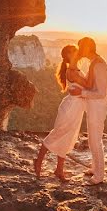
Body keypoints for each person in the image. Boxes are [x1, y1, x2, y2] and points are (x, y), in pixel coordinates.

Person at [33, 44, 88, 180]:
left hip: (77, 107)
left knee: (68, 137)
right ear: (69, 55)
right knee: (58, 133)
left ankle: (59, 170)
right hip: (71, 107)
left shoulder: (76, 69)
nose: (78, 52)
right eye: (75, 50)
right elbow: (88, 85)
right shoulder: (71, 72)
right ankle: (38, 161)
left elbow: (84, 87)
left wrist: (82, 92)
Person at [68, 36, 107, 185]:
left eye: (80, 48)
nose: (79, 51)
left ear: (86, 48)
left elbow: (101, 93)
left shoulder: (99, 66)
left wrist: (81, 93)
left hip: (98, 107)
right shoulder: (94, 63)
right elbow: (91, 86)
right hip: (93, 106)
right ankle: (94, 168)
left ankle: (99, 176)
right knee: (93, 139)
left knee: (95, 141)